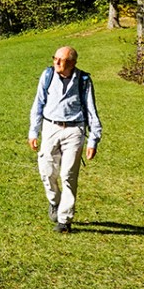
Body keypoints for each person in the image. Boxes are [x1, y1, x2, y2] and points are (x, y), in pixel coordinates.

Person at [27, 45, 101, 233]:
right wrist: (33, 131)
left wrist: (93, 139)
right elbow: (38, 103)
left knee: (68, 175)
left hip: (75, 130)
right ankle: (54, 202)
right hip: (50, 126)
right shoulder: (47, 75)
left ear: (73, 63)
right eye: (56, 59)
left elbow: (91, 110)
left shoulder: (84, 80)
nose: (58, 63)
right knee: (46, 171)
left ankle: (64, 220)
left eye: (63, 60)